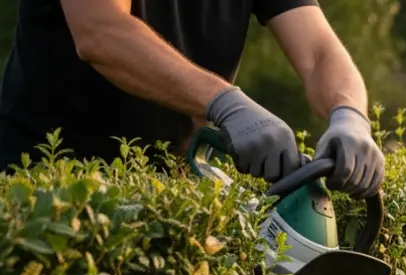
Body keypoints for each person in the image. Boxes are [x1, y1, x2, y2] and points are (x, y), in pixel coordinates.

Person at [0, 0, 384, 197]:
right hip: (44, 191)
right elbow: (101, 31)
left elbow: (318, 52)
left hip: (172, 200)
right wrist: (225, 102)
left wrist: (350, 114)